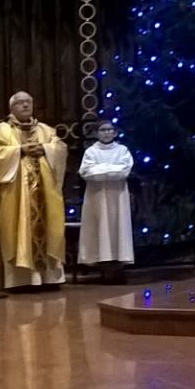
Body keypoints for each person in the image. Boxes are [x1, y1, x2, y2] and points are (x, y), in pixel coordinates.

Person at [0, 91, 67, 290]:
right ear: (11, 108)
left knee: (49, 227)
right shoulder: (1, 131)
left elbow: (60, 148)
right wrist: (19, 150)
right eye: (20, 103)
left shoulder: (45, 130)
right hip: (16, 193)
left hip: (45, 192)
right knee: (17, 229)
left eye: (28, 102)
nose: (25, 105)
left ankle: (49, 279)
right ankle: (20, 280)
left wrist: (45, 150)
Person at [78, 121, 134, 283]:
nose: (106, 133)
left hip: (117, 198)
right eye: (103, 130)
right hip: (97, 198)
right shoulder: (91, 152)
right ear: (96, 133)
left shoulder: (122, 150)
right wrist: (111, 169)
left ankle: (118, 267)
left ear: (115, 133)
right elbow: (87, 172)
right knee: (99, 228)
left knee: (118, 228)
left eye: (110, 129)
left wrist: (101, 169)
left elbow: (124, 171)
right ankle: (103, 265)